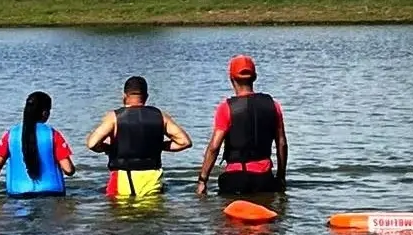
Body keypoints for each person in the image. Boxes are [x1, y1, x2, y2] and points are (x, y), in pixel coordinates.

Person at [85, 75, 192, 197]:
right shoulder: (160, 116)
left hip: (123, 179)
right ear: (146, 97)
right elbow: (185, 142)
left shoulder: (114, 117)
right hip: (152, 179)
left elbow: (92, 143)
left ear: (124, 96)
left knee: (120, 214)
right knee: (151, 213)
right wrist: (156, 146)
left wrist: (109, 148)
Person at [195, 55, 287, 196]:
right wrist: (280, 177)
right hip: (264, 178)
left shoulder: (226, 108)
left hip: (235, 179)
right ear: (254, 77)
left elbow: (214, 147)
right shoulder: (273, 105)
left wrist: (202, 180)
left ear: (231, 78)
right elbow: (282, 144)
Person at [0, 91, 76, 197]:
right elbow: (68, 169)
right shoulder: (53, 134)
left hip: (18, 194)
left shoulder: (11, 134)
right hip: (52, 192)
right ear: (45, 113)